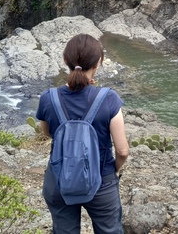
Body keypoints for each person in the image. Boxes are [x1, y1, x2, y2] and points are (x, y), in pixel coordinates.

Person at [36, 34, 129, 233]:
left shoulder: (48, 98)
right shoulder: (109, 98)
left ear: (64, 60)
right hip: (102, 180)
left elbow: (47, 133)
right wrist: (114, 170)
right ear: (98, 63)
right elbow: (122, 151)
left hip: (60, 178)